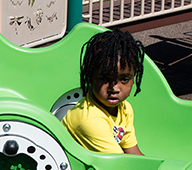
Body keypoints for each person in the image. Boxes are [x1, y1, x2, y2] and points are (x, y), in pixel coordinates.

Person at [62, 28, 145, 156]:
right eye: (106, 79)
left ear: (134, 78)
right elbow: (123, 165)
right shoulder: (90, 120)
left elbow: (134, 154)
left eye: (124, 79)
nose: (114, 88)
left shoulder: (125, 109)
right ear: (90, 77)